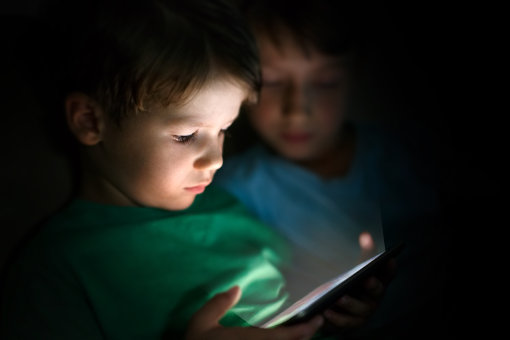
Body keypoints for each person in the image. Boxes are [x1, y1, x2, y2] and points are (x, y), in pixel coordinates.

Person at [0, 1, 328, 339]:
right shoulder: (58, 267)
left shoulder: (228, 208)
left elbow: (299, 295)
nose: (215, 159)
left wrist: (334, 310)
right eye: (186, 136)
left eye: (223, 131)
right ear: (89, 121)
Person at [215, 0, 448, 336]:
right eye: (273, 83)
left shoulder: (414, 153)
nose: (297, 110)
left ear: (355, 76)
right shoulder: (231, 188)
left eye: (324, 83)